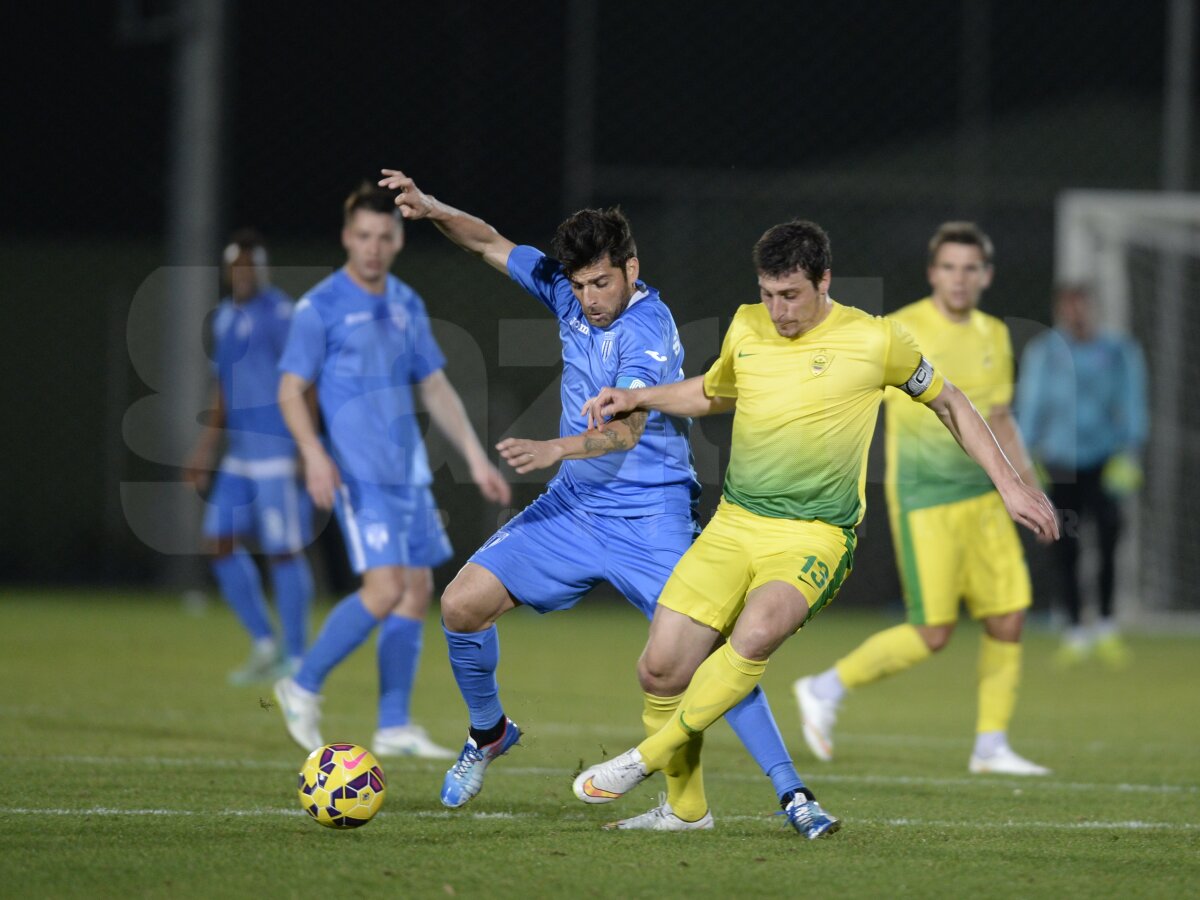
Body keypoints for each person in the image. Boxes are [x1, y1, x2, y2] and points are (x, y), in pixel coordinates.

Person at [573, 220, 1059, 836]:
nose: (778, 311)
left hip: (815, 535)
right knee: (660, 669)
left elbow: (950, 401)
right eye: (768, 294)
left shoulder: (876, 340)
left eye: (791, 295)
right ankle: (686, 810)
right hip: (735, 524)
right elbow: (715, 392)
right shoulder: (748, 324)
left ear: (824, 281)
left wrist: (1010, 482)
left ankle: (646, 756)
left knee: (754, 635)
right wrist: (637, 397)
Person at [378, 167, 815, 833]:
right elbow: (488, 241)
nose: (589, 298)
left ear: (631, 269)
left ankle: (791, 792)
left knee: (706, 653)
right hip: (575, 509)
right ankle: (489, 732)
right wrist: (433, 206)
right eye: (580, 285)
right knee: (461, 605)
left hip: (651, 517)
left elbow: (626, 430)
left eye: (601, 283)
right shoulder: (567, 292)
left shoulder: (648, 328)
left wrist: (555, 448)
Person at [795, 222, 1054, 776]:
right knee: (932, 632)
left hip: (984, 500)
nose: (959, 278)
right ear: (933, 273)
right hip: (925, 502)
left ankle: (991, 746)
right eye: (949, 267)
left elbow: (1000, 417)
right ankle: (825, 687)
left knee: (1008, 618)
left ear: (985, 276)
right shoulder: (901, 329)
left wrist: (1030, 486)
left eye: (970, 268)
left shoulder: (993, 333)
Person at [271, 183, 511, 759]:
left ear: (398, 240)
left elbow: (434, 385)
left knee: (418, 590)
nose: (373, 247)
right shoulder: (320, 307)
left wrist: (475, 458)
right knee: (384, 590)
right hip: (360, 474)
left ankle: (394, 725)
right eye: (363, 236)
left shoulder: (405, 302)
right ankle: (301, 685)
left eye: (383, 236)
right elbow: (289, 389)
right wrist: (314, 454)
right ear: (346, 238)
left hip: (409, 474)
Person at [184, 229, 316, 686]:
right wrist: (204, 449)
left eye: (250, 265)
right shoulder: (224, 317)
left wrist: (308, 445)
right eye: (236, 266)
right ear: (227, 270)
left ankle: (296, 657)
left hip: (277, 451)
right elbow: (222, 389)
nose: (243, 273)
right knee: (218, 542)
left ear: (263, 269)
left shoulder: (280, 313)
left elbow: (305, 379)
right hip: (239, 454)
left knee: (283, 551)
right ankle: (264, 643)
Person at [1016, 284, 1148, 666]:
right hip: (1059, 462)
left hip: (1104, 460)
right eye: (1069, 307)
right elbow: (1031, 405)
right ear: (1061, 310)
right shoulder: (1046, 352)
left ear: (1095, 309)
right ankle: (1074, 630)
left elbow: (1132, 400)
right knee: (1064, 544)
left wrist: (1130, 452)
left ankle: (1106, 624)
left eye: (1083, 306)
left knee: (1109, 539)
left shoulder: (1117, 351)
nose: (1076, 314)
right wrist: (1027, 462)